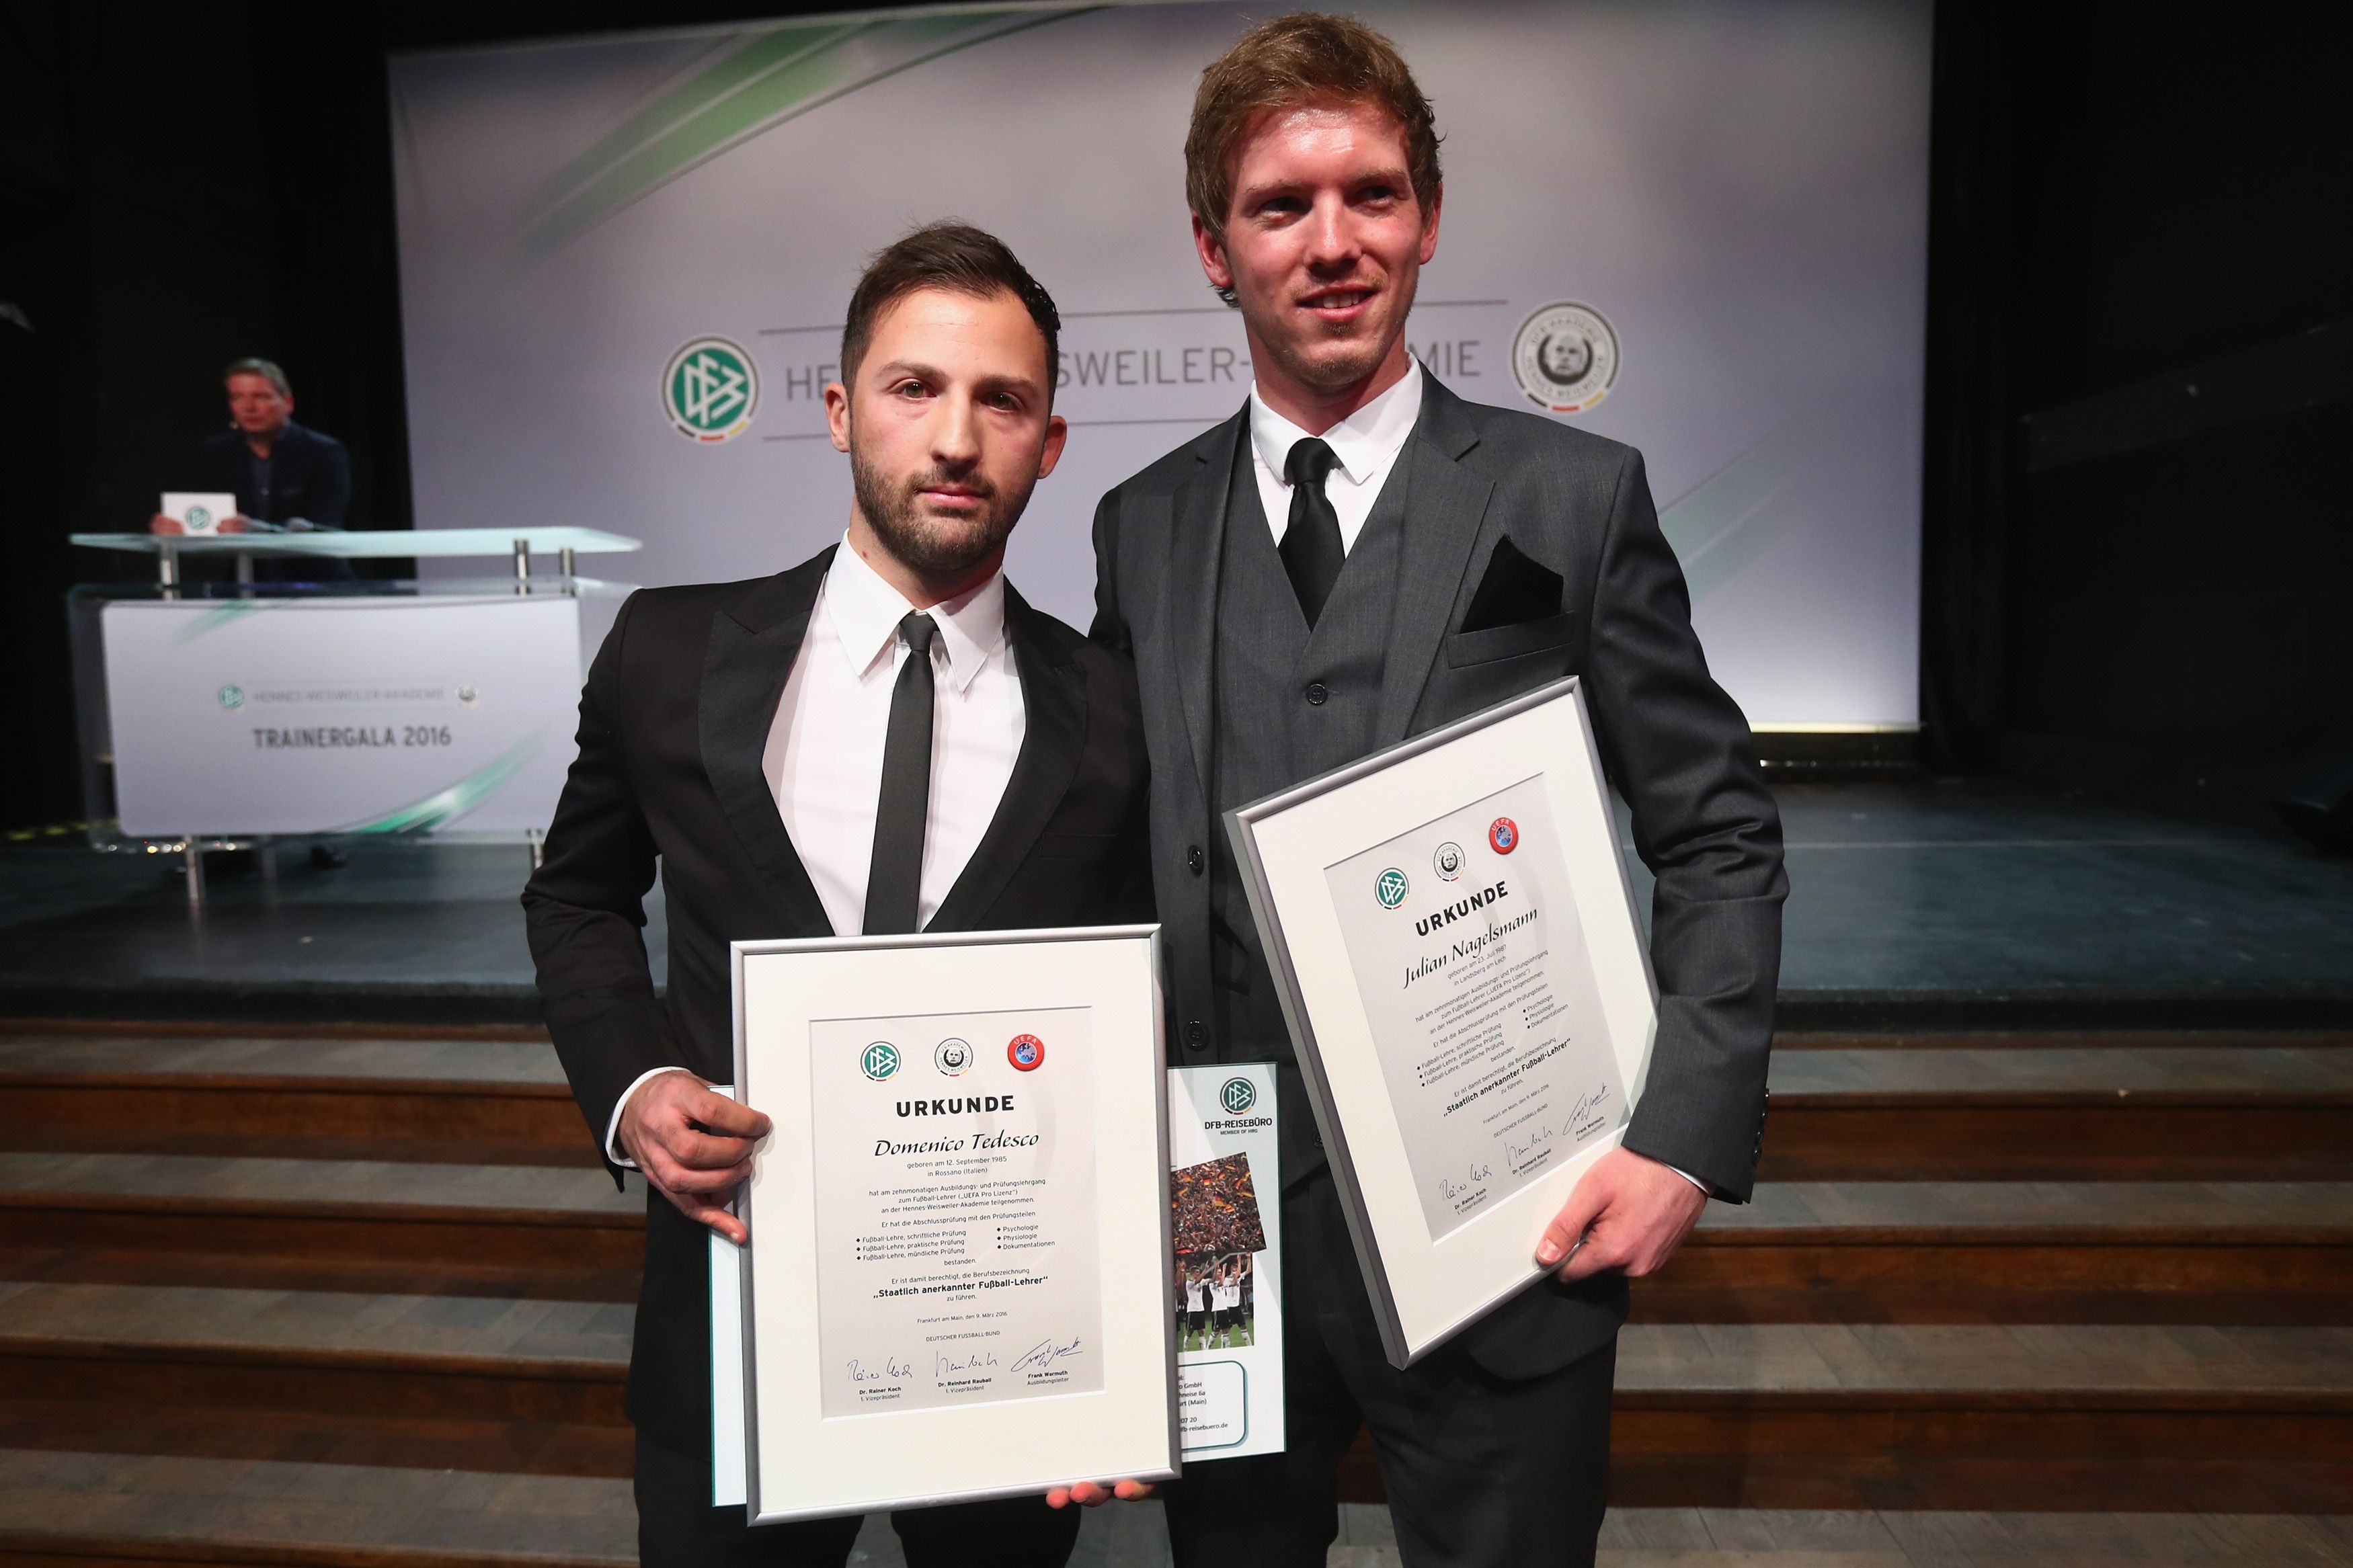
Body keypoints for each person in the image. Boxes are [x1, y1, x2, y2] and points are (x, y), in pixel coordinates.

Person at [1088, 15, 1786, 1567]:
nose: (1335, 244)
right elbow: (1116, 861)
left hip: (1510, 1216)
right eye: (1283, 206)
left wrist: (1683, 1133)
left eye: (1375, 195)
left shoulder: (1571, 497)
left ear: (1428, 218)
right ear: (1214, 246)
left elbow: (1718, 828)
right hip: (1219, 1203)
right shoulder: (1138, 526)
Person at [523, 222, 1154, 1568]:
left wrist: (1171, 1348)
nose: (954, 437)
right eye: (913, 386)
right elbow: (575, 897)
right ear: (837, 408)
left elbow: (1181, 1022)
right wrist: (634, 1090)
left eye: (1003, 399)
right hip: (732, 1331)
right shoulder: (667, 651)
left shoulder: (1118, 707)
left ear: (1048, 442)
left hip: (1012, 1358)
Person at [150, 357, 354, 581]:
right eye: (238, 397)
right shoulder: (216, 453)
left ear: (288, 403)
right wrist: (180, 527)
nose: (249, 408)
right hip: (241, 583)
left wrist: (258, 530)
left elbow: (325, 528)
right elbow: (205, 517)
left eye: (260, 397)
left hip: (315, 582)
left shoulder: (324, 452)